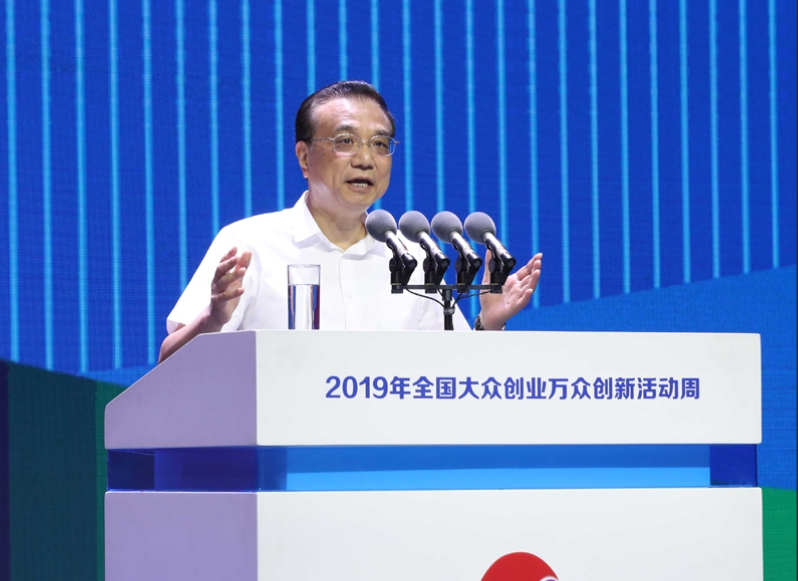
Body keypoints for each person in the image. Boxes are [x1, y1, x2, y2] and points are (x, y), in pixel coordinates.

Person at [159, 81, 543, 363]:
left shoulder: (416, 258)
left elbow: (451, 377)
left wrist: (488, 323)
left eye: (380, 144)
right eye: (345, 141)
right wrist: (212, 318)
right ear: (304, 158)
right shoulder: (249, 243)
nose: (365, 159)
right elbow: (168, 364)